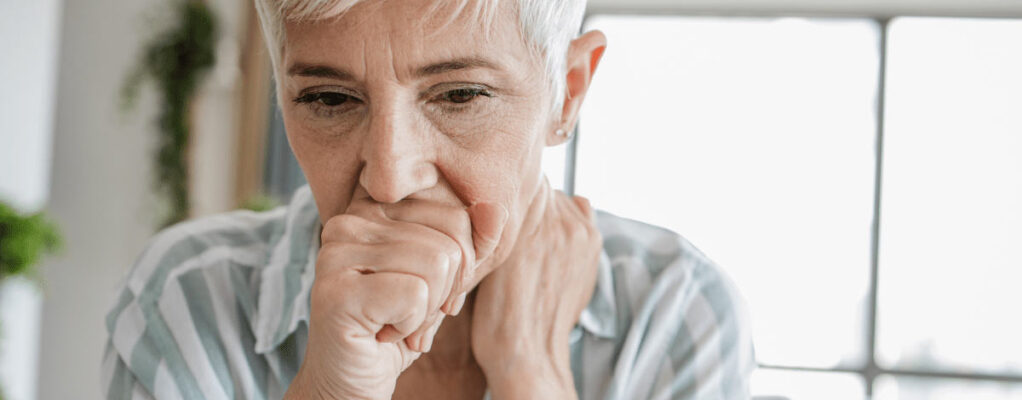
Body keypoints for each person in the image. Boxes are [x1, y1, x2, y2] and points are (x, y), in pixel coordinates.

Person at [102, 0, 755, 398]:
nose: (389, 177)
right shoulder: (189, 302)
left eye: (460, 95)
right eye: (329, 99)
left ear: (569, 93)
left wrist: (533, 376)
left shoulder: (675, 313)